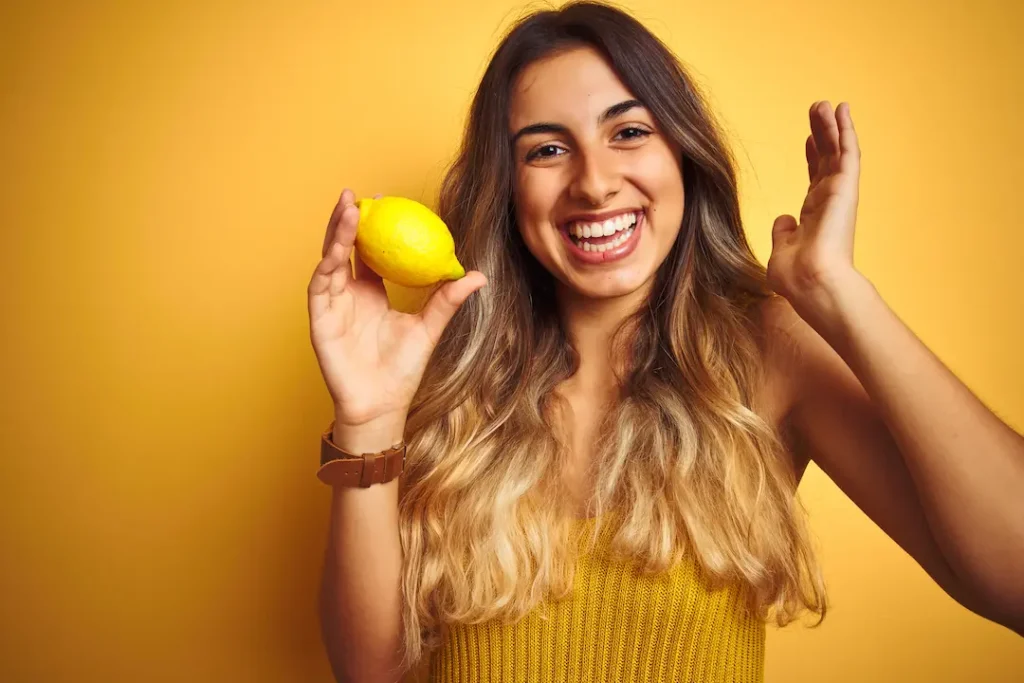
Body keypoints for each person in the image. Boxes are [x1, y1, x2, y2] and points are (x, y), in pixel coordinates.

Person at [306, 2, 1024, 681]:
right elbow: (372, 670)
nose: (594, 183)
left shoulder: (766, 354)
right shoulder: (451, 375)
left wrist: (841, 295)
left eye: (629, 132)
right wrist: (368, 416)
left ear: (682, 152)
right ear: (507, 187)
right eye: (548, 149)